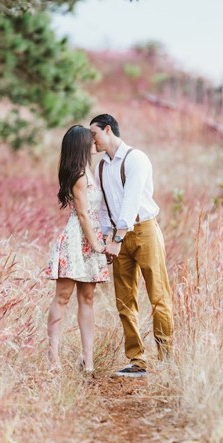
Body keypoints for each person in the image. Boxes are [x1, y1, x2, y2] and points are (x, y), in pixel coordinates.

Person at [89, 113, 174, 378]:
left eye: (94, 134)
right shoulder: (101, 166)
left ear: (107, 129)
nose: (92, 141)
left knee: (158, 295)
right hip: (117, 237)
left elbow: (132, 200)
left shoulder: (136, 158)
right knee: (124, 299)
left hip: (144, 231)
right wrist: (106, 237)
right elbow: (103, 206)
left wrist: (117, 238)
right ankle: (138, 360)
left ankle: (166, 358)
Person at [45, 125, 110, 374]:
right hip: (77, 239)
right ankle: (53, 360)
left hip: (90, 237)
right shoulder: (79, 175)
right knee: (62, 297)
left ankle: (88, 360)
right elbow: (82, 213)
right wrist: (95, 244)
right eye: (89, 139)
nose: (94, 142)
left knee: (88, 298)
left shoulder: (88, 171)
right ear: (81, 145)